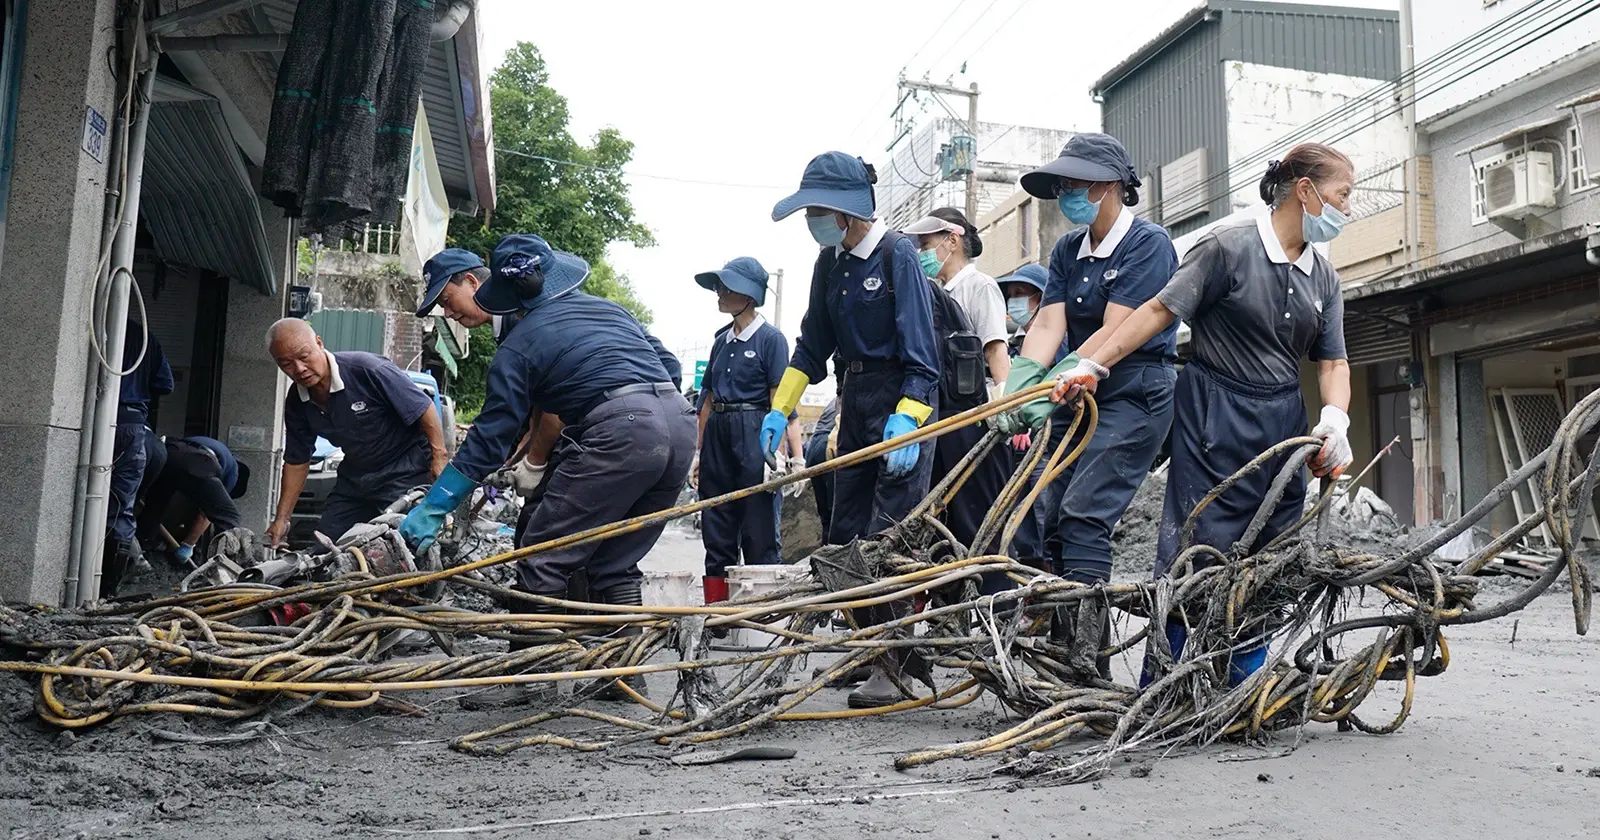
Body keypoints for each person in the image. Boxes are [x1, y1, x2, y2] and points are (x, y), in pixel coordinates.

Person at [1050, 143, 1356, 685]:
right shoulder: (1227, 247)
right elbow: (1157, 311)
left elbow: (1331, 360)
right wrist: (1094, 364)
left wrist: (1334, 417)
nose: (1346, 210)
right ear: (1305, 191)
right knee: (1194, 550)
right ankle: (1165, 685)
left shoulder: (1322, 277)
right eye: (1341, 196)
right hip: (1213, 411)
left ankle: (1237, 684)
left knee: (1270, 559)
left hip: (1283, 422)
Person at [399, 234, 696, 700]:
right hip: (679, 425)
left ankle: (529, 682)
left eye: (449, 298)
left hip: (621, 432)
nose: (448, 311)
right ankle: (623, 676)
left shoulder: (520, 344)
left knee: (540, 552)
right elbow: (669, 366)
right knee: (614, 559)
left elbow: (489, 438)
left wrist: (435, 506)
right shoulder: (610, 311)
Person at [764, 151, 940, 708]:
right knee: (843, 537)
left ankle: (894, 667)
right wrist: (781, 406)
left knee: (889, 539)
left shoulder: (897, 256)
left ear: (844, 211)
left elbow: (923, 354)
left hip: (899, 402)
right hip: (854, 402)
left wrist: (910, 420)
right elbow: (813, 344)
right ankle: (869, 647)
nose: (812, 220)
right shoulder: (831, 263)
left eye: (817, 209)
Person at [999, 133, 1181, 674]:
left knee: (1084, 514)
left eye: (1074, 184)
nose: (1065, 194)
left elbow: (1115, 329)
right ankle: (1064, 647)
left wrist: (1070, 371)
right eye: (1062, 186)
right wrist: (1022, 383)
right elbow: (1050, 322)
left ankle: (1087, 660)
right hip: (1072, 391)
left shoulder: (1147, 244)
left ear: (1107, 187)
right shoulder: (1066, 251)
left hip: (1134, 393)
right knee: (1050, 515)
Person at [901, 209, 1015, 589]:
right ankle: (949, 614)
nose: (921, 252)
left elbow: (995, 350)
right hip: (940, 419)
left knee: (978, 520)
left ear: (953, 240)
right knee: (942, 524)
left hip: (972, 418)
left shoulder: (977, 286)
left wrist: (1008, 407)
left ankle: (992, 610)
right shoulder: (928, 292)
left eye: (926, 244)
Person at [265, 319, 450, 547]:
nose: (299, 369)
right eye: (286, 364)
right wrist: (282, 519)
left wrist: (439, 458)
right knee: (326, 547)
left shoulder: (368, 370)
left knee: (402, 546)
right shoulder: (297, 401)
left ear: (319, 343)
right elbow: (296, 461)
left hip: (405, 471)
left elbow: (424, 408)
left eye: (304, 357)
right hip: (355, 478)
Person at [691, 257, 800, 605]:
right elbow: (706, 401)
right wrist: (699, 452)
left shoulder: (771, 340)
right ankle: (718, 611)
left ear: (749, 295)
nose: (719, 294)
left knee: (758, 526)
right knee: (716, 521)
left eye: (726, 288)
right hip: (719, 434)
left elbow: (779, 402)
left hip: (754, 430)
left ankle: (758, 613)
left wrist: (779, 456)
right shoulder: (721, 341)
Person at [104, 320, 173, 596]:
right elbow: (165, 384)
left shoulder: (99, 323)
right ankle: (107, 589)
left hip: (100, 420)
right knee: (120, 509)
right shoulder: (146, 336)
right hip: (133, 426)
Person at [995, 263, 1052, 574]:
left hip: (1049, 444)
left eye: (1021, 294)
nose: (1013, 302)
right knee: (1020, 516)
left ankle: (1051, 580)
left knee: (1044, 510)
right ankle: (1030, 589)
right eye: (1010, 295)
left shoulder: (1059, 340)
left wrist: (1033, 421)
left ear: (1041, 298)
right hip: (1018, 448)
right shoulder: (1018, 344)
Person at [137, 435, 250, 564]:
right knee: (229, 517)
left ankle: (137, 554)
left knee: (154, 509)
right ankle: (227, 567)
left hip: (167, 452)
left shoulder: (218, 448)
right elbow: (206, 515)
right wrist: (188, 544)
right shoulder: (233, 474)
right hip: (197, 460)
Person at [804, 396, 840, 539]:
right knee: (837, 513)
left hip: (814, 447)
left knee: (825, 515)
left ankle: (826, 549)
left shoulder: (835, 398)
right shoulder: (851, 391)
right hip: (831, 444)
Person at [999, 264, 1048, 355]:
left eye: (1018, 292)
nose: (1011, 300)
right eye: (1009, 296)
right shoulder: (1008, 347)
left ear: (1040, 297)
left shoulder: (1061, 343)